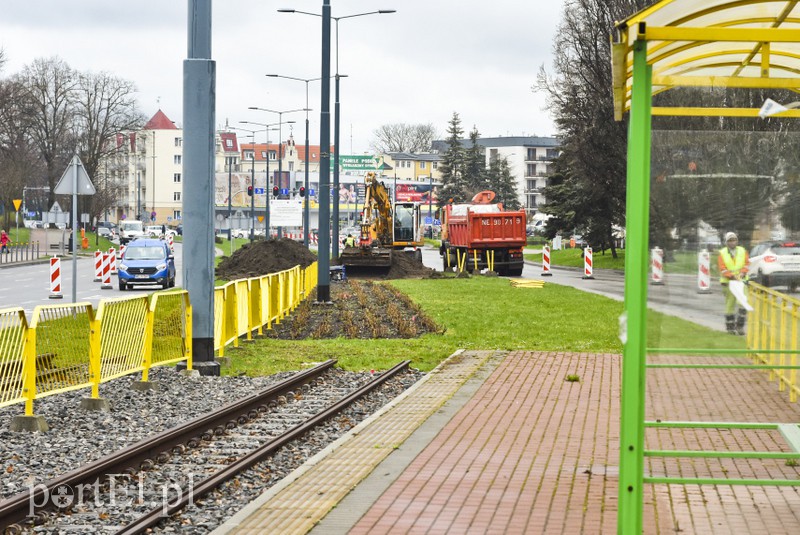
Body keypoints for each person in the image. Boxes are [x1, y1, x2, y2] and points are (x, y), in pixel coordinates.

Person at [718, 232, 750, 335]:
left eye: (734, 240)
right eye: (730, 240)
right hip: (728, 283)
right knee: (729, 305)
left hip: (741, 282)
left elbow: (747, 264)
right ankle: (730, 328)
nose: (732, 242)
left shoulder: (742, 251)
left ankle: (739, 326)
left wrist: (742, 273)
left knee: (743, 304)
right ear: (726, 242)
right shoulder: (722, 253)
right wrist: (732, 276)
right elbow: (722, 268)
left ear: (737, 240)